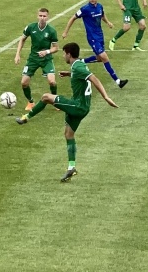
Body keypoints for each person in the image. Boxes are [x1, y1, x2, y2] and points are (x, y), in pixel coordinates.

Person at [15, 42, 119, 183]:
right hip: (83, 108)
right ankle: (71, 168)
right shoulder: (77, 67)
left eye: (64, 53)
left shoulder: (78, 66)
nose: (63, 55)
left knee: (46, 97)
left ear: (69, 54)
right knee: (69, 134)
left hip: (78, 106)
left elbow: (94, 79)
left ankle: (26, 117)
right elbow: (82, 75)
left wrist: (106, 97)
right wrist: (70, 74)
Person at [63, 0, 127, 89]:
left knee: (99, 58)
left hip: (100, 36)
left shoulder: (100, 6)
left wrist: (108, 22)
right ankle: (118, 81)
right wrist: (66, 32)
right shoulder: (85, 9)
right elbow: (73, 18)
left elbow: (102, 15)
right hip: (92, 38)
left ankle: (81, 61)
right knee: (105, 57)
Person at [14, 7, 59, 111]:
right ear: (37, 16)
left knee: (52, 82)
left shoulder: (51, 31)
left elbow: (56, 48)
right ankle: (30, 102)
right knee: (24, 82)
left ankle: (56, 101)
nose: (42, 18)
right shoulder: (31, 27)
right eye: (40, 16)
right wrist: (17, 54)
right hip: (33, 59)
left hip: (46, 59)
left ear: (48, 17)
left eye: (44, 16)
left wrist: (46, 52)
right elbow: (22, 39)